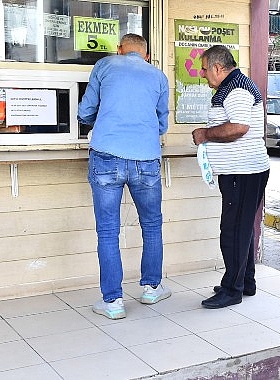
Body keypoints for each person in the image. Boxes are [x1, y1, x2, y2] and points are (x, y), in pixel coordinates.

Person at [78, 33, 171, 320]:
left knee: (108, 231)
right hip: (146, 159)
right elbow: (162, 124)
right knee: (152, 225)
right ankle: (152, 288)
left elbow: (85, 111)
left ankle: (113, 301)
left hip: (106, 155)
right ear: (145, 54)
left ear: (120, 50)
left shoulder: (104, 66)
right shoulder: (158, 76)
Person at [191, 45, 270, 309]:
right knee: (242, 227)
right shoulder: (235, 85)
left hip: (243, 172)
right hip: (243, 172)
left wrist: (205, 134)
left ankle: (232, 289)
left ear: (216, 67)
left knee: (233, 230)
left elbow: (238, 127)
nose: (202, 74)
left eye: (204, 69)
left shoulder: (236, 88)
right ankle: (245, 280)